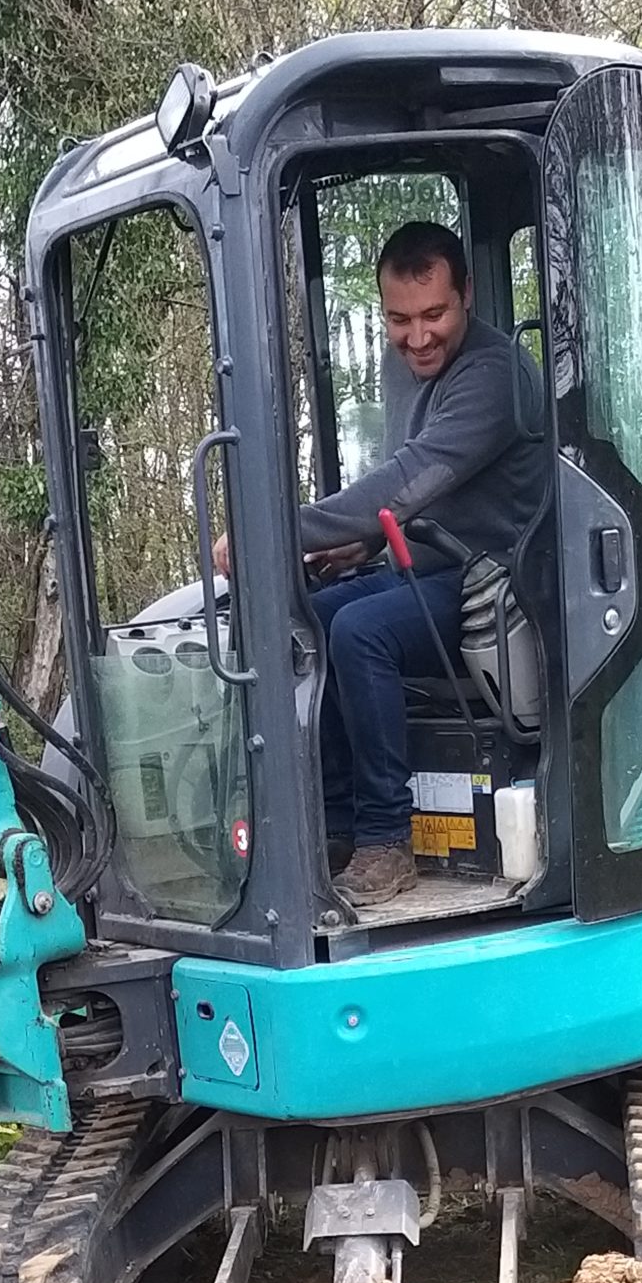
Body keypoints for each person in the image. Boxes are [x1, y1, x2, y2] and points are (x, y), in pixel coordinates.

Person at [218, 218, 546, 906]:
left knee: (358, 631)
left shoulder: (494, 374)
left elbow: (413, 476)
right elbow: (416, 494)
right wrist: (359, 544)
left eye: (435, 314)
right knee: (303, 616)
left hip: (495, 579)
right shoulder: (403, 365)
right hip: (426, 561)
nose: (417, 337)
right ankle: (336, 823)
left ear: (468, 294)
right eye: (399, 319)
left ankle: (385, 838)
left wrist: (272, 530)